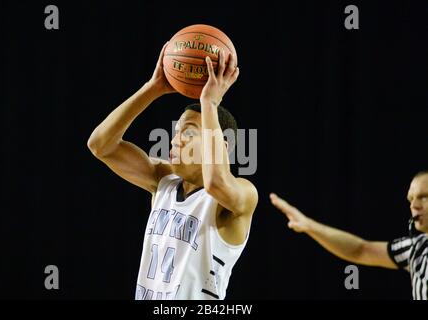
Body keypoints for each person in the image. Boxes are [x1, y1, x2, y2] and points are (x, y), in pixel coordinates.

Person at [87, 43, 258, 300]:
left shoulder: (242, 194)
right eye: (176, 131)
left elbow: (216, 184)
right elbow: (100, 145)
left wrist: (210, 102)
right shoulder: (163, 181)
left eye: (188, 132)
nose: (175, 140)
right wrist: (152, 89)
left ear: (220, 146)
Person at [270, 170, 428, 300]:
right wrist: (309, 225)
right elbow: (360, 250)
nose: (414, 205)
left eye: (423, 197)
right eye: (411, 199)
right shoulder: (416, 248)